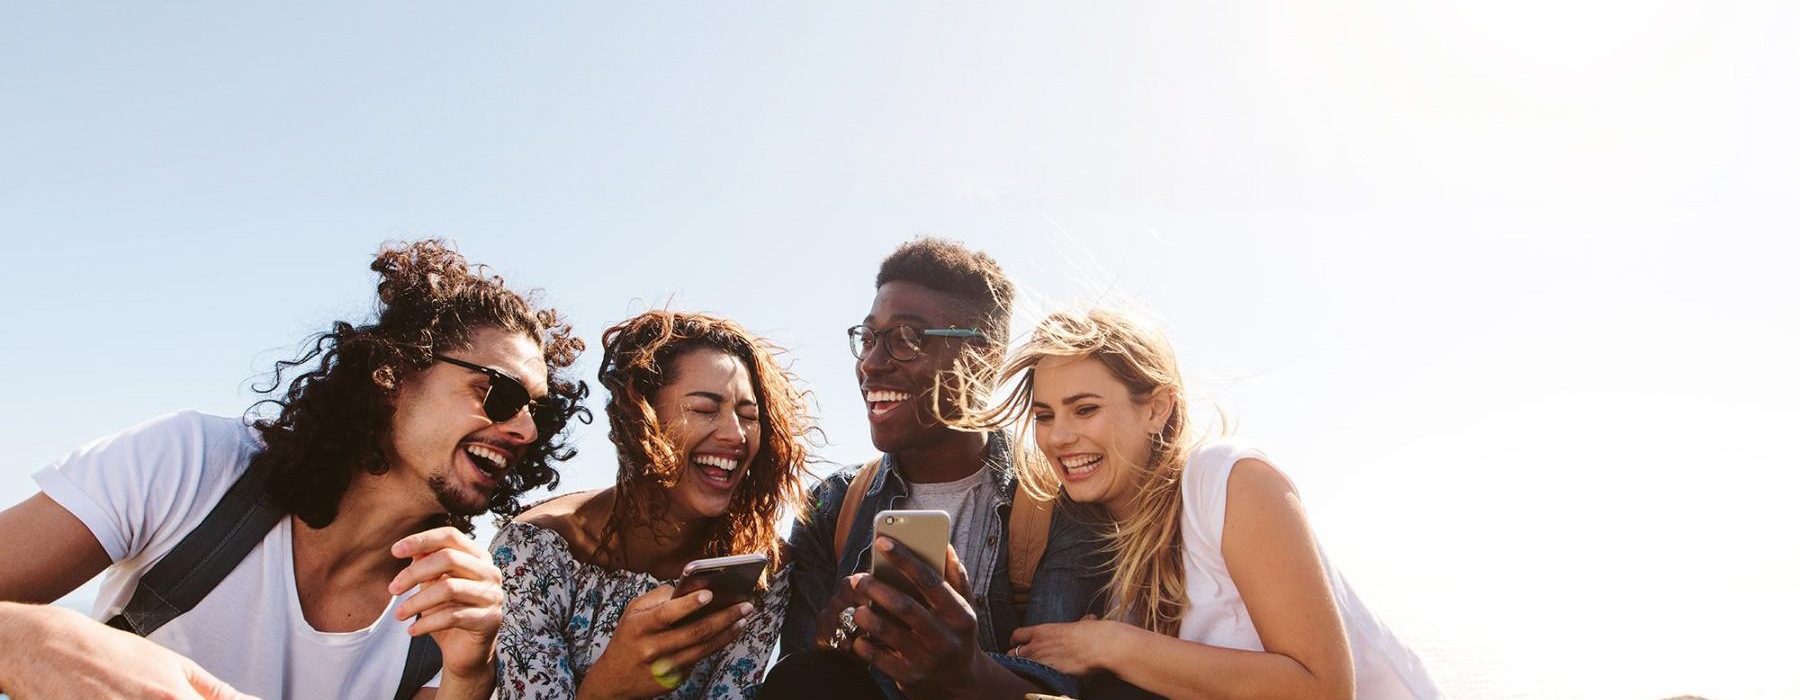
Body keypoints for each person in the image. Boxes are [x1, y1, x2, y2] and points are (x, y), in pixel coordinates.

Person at [0, 239, 587, 700]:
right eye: (501, 393)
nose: (527, 430)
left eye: (543, 411)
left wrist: (469, 677)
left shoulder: (452, 604)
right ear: (394, 375)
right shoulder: (191, 464)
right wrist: (36, 641)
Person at [984, 309, 1441, 699]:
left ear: (1156, 408)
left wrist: (1109, 645)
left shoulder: (1226, 479)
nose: (1059, 437)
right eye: (1044, 416)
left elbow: (1323, 688)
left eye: (1085, 409)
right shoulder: (1093, 539)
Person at [760, 238, 1109, 700]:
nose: (871, 364)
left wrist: (965, 672)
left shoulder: (1059, 502)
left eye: (906, 339)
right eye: (867, 339)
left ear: (981, 357)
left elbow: (1063, 687)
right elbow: (793, 676)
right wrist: (830, 644)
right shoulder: (833, 505)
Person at [491, 310, 814, 699]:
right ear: (639, 419)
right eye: (704, 409)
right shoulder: (534, 551)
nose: (735, 435)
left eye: (749, 416)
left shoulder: (758, 572)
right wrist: (611, 685)